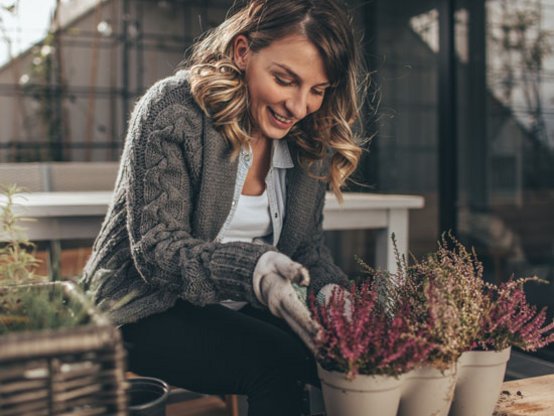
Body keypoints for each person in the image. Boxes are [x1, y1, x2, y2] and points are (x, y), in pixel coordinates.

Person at [81, 0, 365, 414]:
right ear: (243, 51)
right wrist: (255, 271)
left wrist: (330, 294)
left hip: (230, 306)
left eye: (318, 90)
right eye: (285, 80)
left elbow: (305, 251)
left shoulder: (308, 138)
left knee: (336, 355)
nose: (299, 106)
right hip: (139, 306)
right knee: (276, 362)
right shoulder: (173, 110)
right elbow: (158, 251)